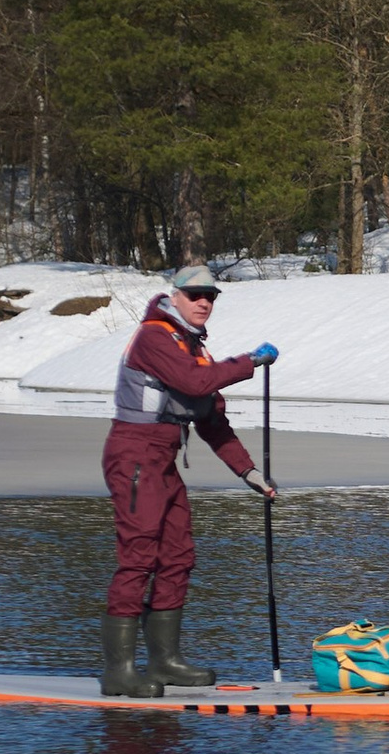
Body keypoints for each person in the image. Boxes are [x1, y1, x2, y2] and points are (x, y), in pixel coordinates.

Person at [99, 265, 281, 696]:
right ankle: (118, 671)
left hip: (163, 461)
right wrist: (250, 362)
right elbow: (195, 382)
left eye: (211, 296)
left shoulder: (192, 348)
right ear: (174, 297)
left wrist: (249, 472)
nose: (204, 302)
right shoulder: (155, 337)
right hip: (134, 454)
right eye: (196, 294)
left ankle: (164, 662)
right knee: (139, 556)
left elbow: (211, 419)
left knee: (178, 555)